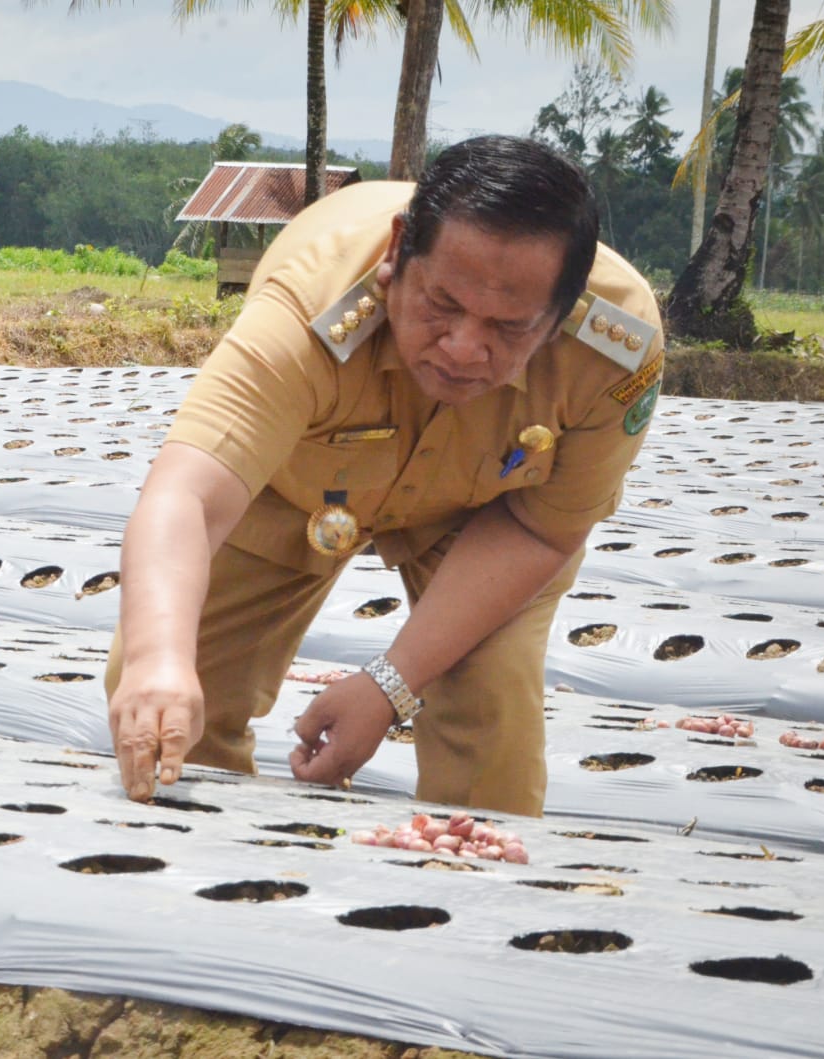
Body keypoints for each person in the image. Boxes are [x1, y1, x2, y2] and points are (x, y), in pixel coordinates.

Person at [106, 135, 664, 817]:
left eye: (508, 328)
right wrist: (158, 658)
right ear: (398, 253)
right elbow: (187, 494)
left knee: (491, 719)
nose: (462, 348)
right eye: (441, 305)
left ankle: (473, 902)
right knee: (170, 706)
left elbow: (543, 530)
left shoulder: (617, 348)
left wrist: (388, 686)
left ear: (560, 316)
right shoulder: (311, 303)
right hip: (292, 488)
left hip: (484, 514)